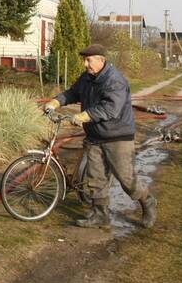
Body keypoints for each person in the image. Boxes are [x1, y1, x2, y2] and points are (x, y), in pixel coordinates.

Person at [44, 44, 157, 229]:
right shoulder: (87, 78)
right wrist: (55, 102)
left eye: (88, 60)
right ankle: (100, 215)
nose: (85, 64)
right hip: (95, 136)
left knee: (126, 178)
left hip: (117, 137)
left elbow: (110, 108)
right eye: (84, 59)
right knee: (96, 179)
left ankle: (148, 202)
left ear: (101, 60)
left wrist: (83, 116)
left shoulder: (115, 81)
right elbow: (73, 93)